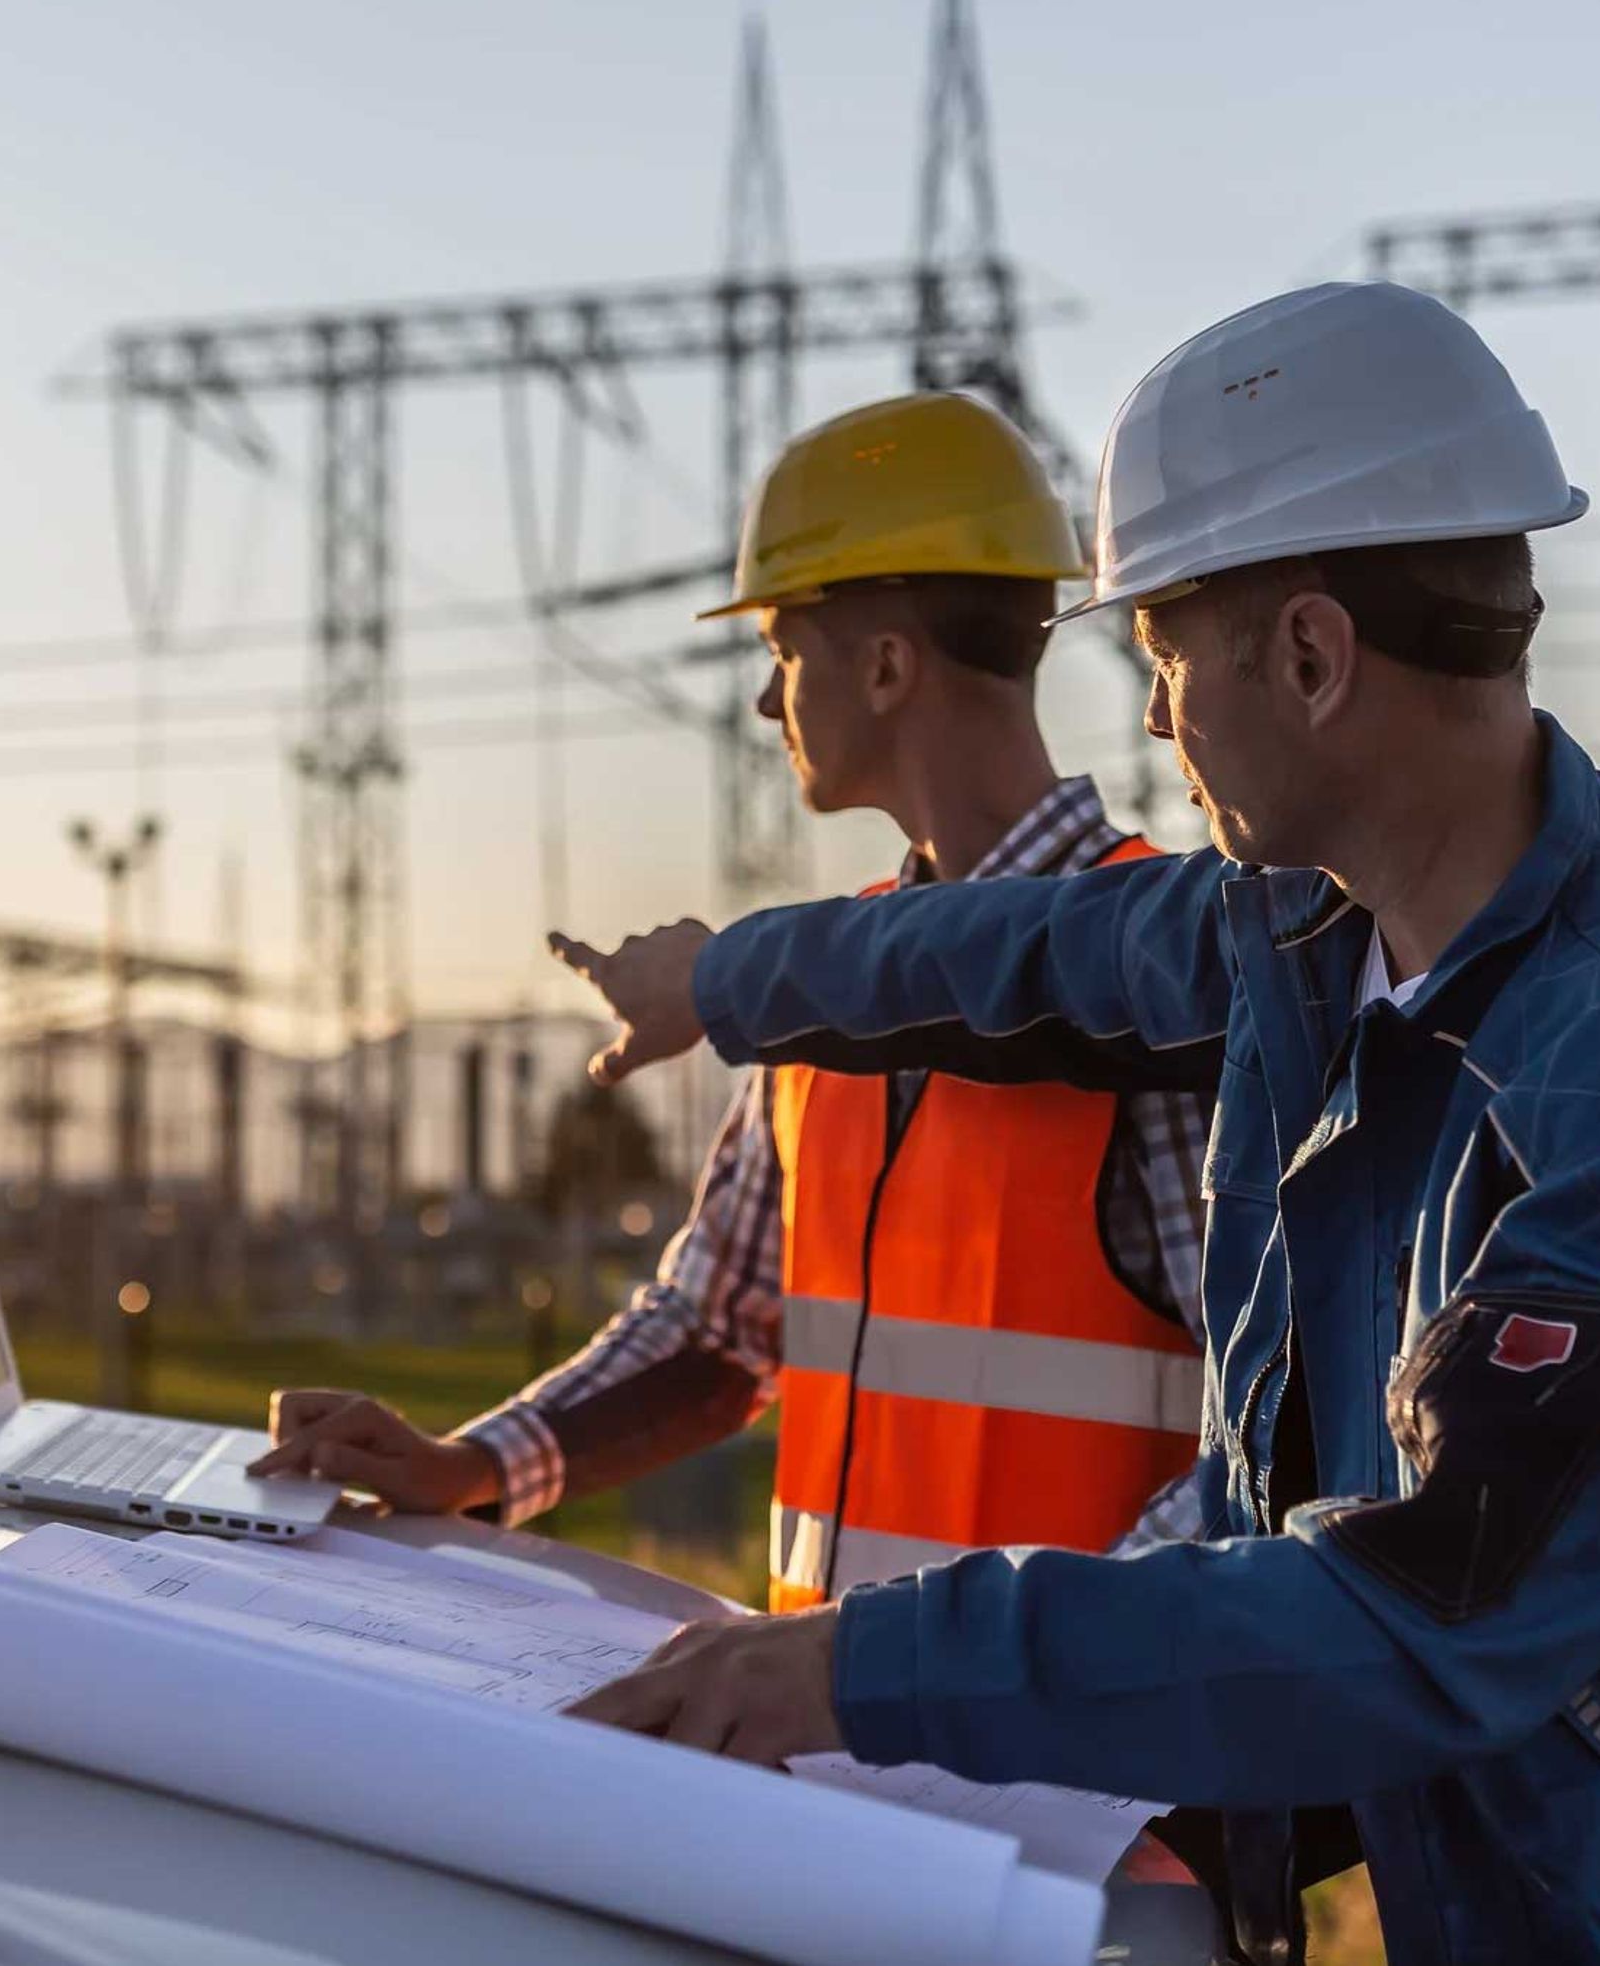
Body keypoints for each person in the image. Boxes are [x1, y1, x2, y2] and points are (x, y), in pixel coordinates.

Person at [553, 281, 1600, 1964]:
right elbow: (1016, 947)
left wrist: (848, 1669)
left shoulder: (1578, 1086)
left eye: (1164, 656)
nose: (1161, 720)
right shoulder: (1308, 946)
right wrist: (726, 981)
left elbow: (1420, 1608)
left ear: (1315, 656)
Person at [256, 391, 1211, 1609]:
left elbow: (1264, 1438)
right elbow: (716, 1329)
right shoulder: (817, 992)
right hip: (833, 1752)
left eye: (780, 652)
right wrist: (473, 1465)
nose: (766, 706)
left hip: (1069, 1777)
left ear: (881, 667)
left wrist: (1049, 1686)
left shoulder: (1157, 998)